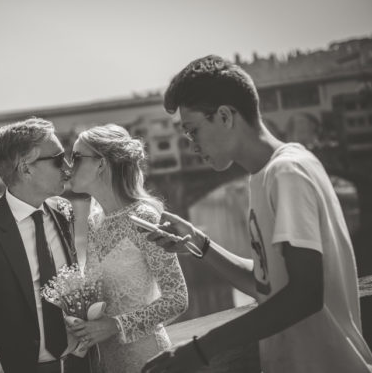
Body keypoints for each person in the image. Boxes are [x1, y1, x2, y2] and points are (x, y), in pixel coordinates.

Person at [142, 55, 372, 373]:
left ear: (224, 116)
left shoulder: (287, 172)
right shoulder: (263, 176)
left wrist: (200, 349)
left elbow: (305, 294)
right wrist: (199, 243)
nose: (192, 145)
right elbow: (268, 286)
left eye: (193, 131)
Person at [0, 118, 87, 373]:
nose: (67, 168)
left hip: (78, 364)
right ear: (26, 169)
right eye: (58, 159)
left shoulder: (63, 212)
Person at [67, 124, 188, 373]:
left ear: (101, 164)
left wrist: (115, 325)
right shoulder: (94, 222)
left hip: (148, 361)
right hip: (107, 364)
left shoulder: (143, 218)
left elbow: (178, 297)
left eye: (77, 158)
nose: (69, 166)